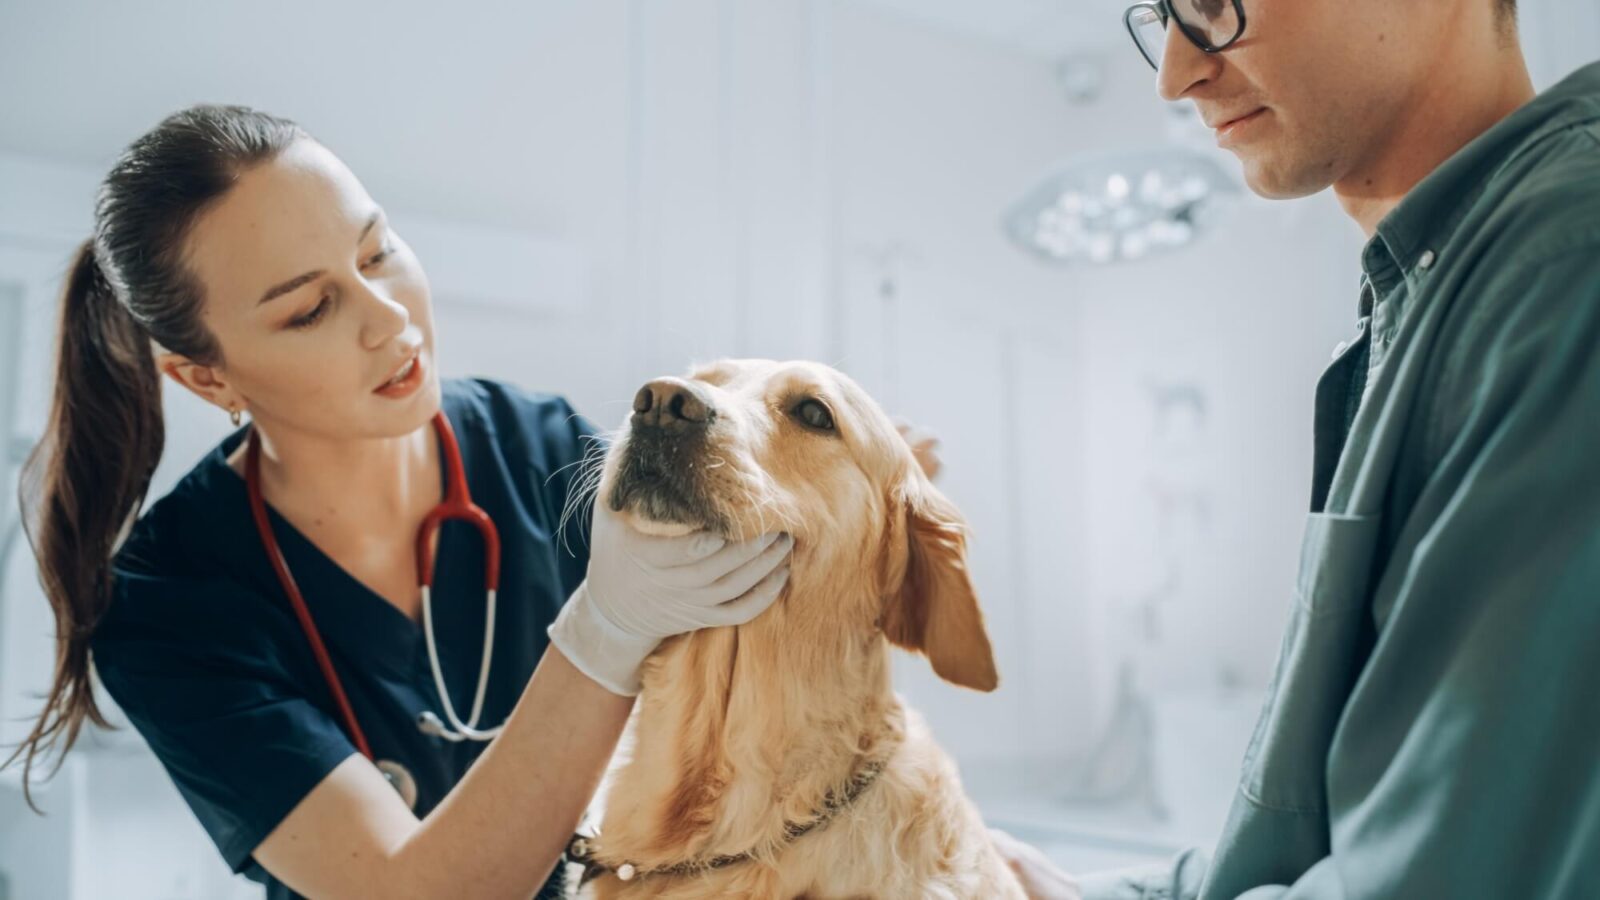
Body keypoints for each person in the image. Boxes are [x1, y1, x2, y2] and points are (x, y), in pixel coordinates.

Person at [1, 105, 798, 900]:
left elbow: (752, 679)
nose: (388, 319)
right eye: (309, 309)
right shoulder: (170, 607)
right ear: (208, 378)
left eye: (377, 251)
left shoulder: (541, 448)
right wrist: (605, 633)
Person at [996, 0, 1600, 897]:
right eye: (1161, 15)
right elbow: (1325, 838)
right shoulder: (1425, 296)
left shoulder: (1563, 269)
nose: (1174, 74)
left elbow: (1438, 878)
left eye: (1213, 4)